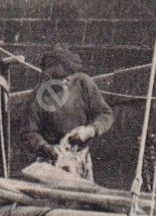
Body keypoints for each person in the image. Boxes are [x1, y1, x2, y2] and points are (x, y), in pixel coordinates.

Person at [14, 47, 114, 181]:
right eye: (60, 78)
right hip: (51, 164)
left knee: (85, 197)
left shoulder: (83, 83)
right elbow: (28, 133)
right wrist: (48, 149)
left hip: (81, 159)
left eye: (68, 77)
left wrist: (90, 130)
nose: (66, 81)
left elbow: (105, 114)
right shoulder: (39, 96)